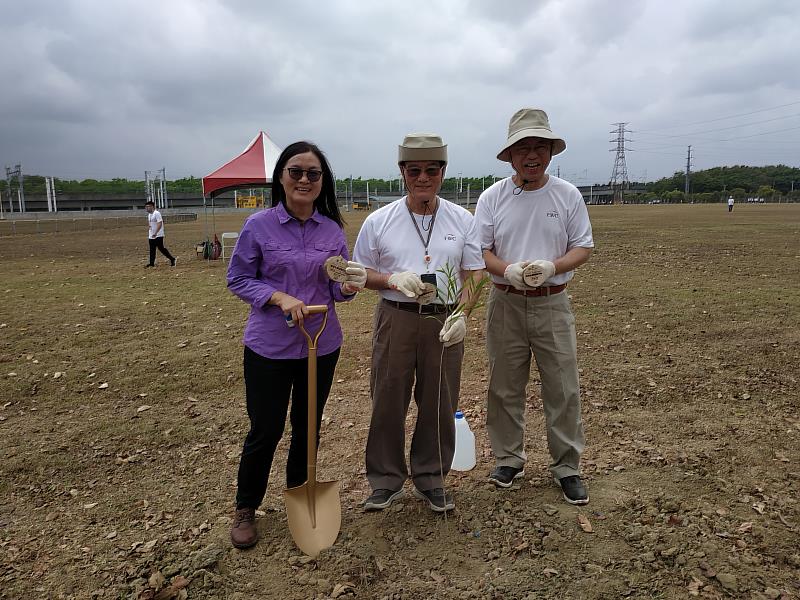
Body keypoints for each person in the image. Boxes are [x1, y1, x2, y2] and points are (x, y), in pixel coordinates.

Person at [226, 141, 367, 548]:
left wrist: (347, 286)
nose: (304, 179)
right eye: (296, 171)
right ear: (282, 177)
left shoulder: (332, 229)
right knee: (265, 429)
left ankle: (299, 495)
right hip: (269, 347)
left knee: (308, 426)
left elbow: (339, 287)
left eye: (313, 173)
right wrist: (278, 297)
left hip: (321, 345)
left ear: (323, 182)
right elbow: (238, 278)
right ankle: (246, 506)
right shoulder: (258, 226)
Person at [353, 133, 484, 513]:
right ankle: (386, 479)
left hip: (443, 320)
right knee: (388, 398)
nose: (423, 178)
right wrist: (391, 279)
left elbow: (474, 271)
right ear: (402, 173)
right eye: (415, 170)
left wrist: (462, 314)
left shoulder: (462, 220)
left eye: (431, 170)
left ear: (443, 172)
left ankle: (431, 476)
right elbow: (359, 272)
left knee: (439, 400)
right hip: (397, 317)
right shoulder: (380, 221)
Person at [474, 108, 594, 505]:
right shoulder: (493, 196)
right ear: (510, 154)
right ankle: (508, 459)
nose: (532, 155)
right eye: (523, 147)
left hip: (552, 302)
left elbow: (582, 247)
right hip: (505, 302)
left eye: (539, 146)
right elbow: (482, 251)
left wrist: (551, 267)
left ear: (550, 152)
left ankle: (567, 466)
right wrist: (506, 270)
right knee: (504, 386)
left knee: (563, 386)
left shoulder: (566, 194)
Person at [144, 200, 176, 267]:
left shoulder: (157, 213)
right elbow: (150, 223)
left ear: (152, 206)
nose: (146, 208)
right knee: (152, 249)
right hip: (151, 235)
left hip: (158, 235)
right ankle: (151, 263)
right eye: (146, 207)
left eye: (148, 207)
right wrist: (150, 229)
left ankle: (172, 259)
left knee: (161, 248)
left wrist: (156, 232)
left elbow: (160, 223)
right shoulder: (149, 215)